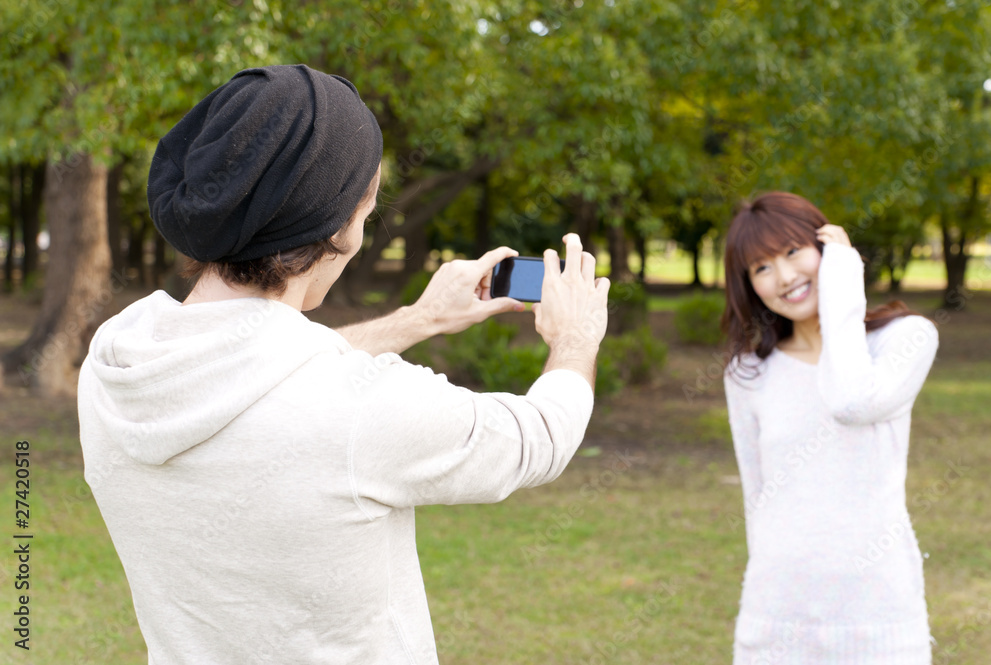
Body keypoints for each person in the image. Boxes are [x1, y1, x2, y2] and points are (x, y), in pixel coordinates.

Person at [78, 64, 610, 664]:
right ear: (340, 230)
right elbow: (534, 439)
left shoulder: (112, 363)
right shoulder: (359, 408)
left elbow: (268, 372)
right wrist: (576, 340)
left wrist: (419, 319)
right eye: (368, 207)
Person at [720, 192, 938, 664]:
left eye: (793, 252)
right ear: (749, 286)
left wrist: (843, 274)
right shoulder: (748, 374)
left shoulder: (904, 340)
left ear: (827, 248)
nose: (784, 277)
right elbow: (757, 498)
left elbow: (851, 400)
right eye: (761, 268)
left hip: (878, 614)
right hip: (776, 615)